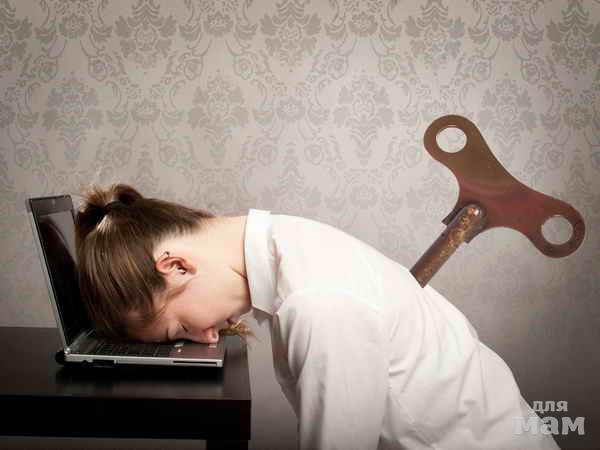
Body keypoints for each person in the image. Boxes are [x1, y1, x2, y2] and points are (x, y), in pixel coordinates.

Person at [75, 183, 560, 450]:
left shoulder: (319, 302)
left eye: (179, 328)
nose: (203, 338)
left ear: (178, 266)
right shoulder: (289, 243)